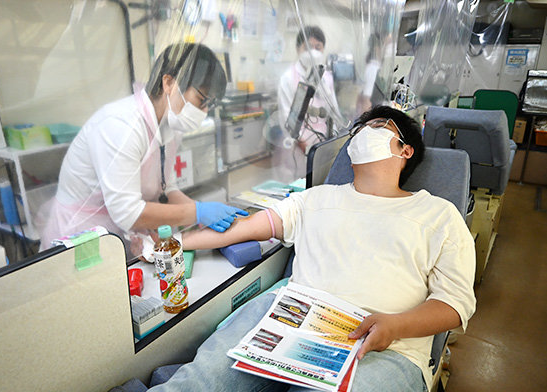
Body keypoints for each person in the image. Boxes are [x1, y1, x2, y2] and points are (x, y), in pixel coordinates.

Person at [148, 105, 476, 391]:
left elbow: (455, 303)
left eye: (376, 127)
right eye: (359, 129)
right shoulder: (316, 199)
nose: (362, 134)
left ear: (405, 150)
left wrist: (395, 325)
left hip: (383, 347)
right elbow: (243, 228)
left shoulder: (437, 215)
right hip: (289, 320)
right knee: (198, 381)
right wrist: (170, 244)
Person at [37, 43, 246, 252]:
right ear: (169, 83)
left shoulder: (170, 126)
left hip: (120, 235)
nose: (204, 110)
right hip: (81, 237)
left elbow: (167, 188)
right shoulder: (121, 125)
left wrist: (200, 214)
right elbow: (127, 212)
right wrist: (197, 212)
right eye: (201, 100)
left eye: (210, 104)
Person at [274, 26, 340, 182]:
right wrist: (302, 142)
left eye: (318, 47)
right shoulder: (288, 78)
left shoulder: (326, 77)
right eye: (309, 47)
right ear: (298, 49)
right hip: (298, 148)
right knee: (299, 189)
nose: (313, 52)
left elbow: (334, 110)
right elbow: (286, 116)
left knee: (321, 183)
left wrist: (333, 141)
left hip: (323, 144)